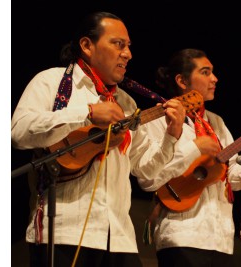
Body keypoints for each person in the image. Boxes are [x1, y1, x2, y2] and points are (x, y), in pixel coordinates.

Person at [11, 11, 187, 267]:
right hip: (63, 232)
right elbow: (18, 131)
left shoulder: (127, 103)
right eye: (118, 44)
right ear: (87, 45)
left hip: (119, 237)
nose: (128, 53)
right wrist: (88, 113)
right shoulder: (51, 80)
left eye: (128, 46)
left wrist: (172, 135)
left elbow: (147, 177)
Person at [136, 48, 241, 267]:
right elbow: (150, 177)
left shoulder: (216, 122)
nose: (215, 78)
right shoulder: (159, 118)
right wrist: (194, 148)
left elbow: (234, 179)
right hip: (182, 235)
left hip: (221, 238)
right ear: (182, 80)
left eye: (213, 72)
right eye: (206, 72)